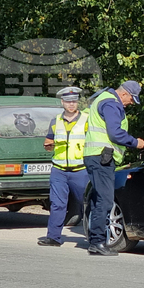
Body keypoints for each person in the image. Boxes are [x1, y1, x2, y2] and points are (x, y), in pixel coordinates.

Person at [83, 80, 144, 256]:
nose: (131, 103)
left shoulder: (104, 99)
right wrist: (135, 142)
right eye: (132, 99)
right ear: (124, 93)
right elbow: (115, 133)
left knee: (99, 199)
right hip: (101, 157)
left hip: (96, 155)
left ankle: (96, 240)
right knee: (105, 200)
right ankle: (97, 242)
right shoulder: (111, 103)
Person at [37, 87, 90, 247]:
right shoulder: (56, 121)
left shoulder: (86, 120)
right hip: (59, 170)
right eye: (68, 101)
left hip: (80, 170)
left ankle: (94, 238)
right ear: (62, 102)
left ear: (78, 102)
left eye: (74, 101)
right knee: (57, 204)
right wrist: (48, 146)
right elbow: (48, 142)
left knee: (87, 204)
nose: (71, 104)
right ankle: (53, 237)